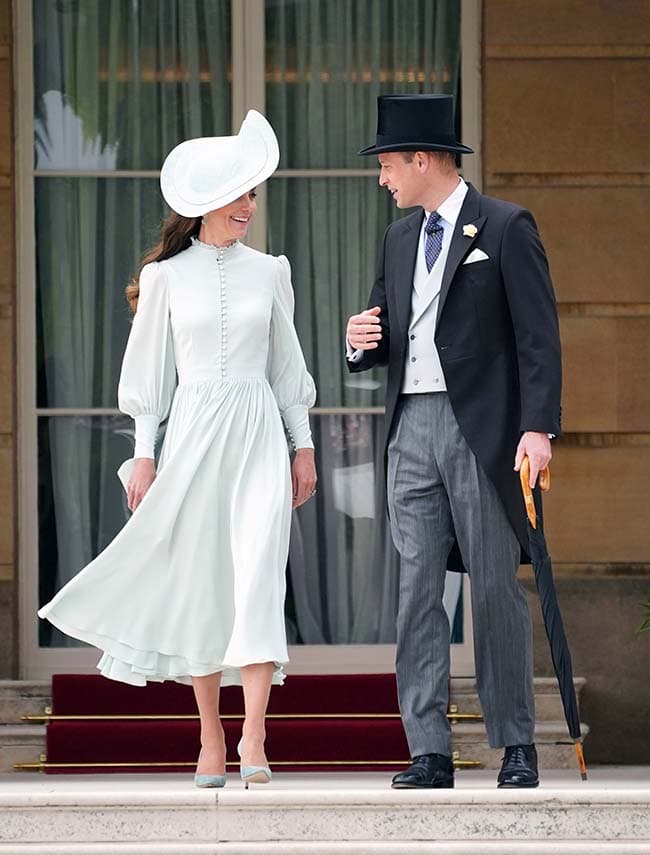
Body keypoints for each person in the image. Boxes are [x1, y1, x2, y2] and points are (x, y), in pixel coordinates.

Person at [39, 110, 317, 789]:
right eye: (240, 193)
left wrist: (301, 446)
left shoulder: (270, 272)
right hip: (191, 435)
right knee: (201, 587)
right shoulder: (164, 278)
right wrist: (143, 451)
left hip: (257, 435)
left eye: (254, 193)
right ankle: (211, 737)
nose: (250, 205)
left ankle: (254, 735)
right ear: (206, 202)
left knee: (257, 580)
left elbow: (286, 369)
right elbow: (149, 376)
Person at [346, 94, 561, 789]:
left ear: (422, 159)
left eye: (387, 164)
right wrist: (358, 343)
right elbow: (386, 328)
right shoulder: (399, 238)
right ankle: (430, 749)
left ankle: (515, 744)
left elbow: (537, 336)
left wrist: (537, 428)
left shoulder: (504, 226)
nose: (383, 178)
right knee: (415, 592)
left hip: (483, 431)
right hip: (411, 428)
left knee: (496, 586)